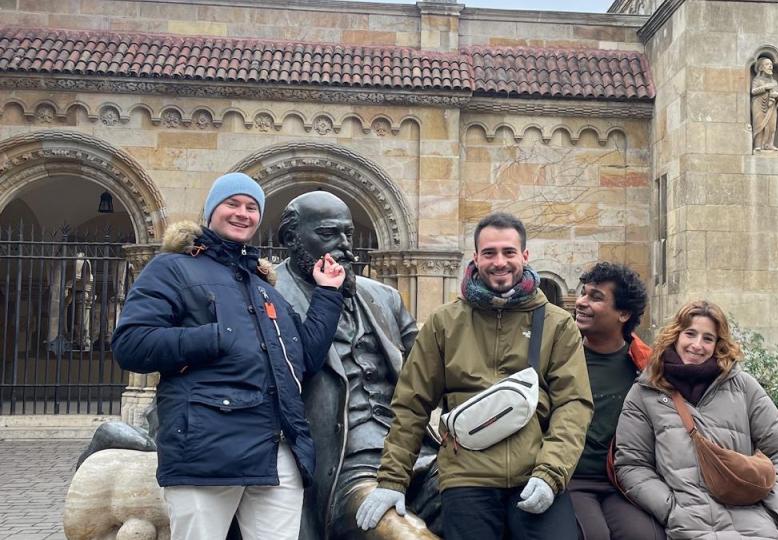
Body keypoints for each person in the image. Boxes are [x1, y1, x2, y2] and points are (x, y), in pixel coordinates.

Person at [112, 173, 346, 540]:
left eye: (252, 207)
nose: (243, 213)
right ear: (211, 212)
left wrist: (329, 294)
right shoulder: (173, 268)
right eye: (232, 204)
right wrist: (217, 337)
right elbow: (131, 344)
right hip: (206, 450)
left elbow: (304, 358)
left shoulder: (263, 286)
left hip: (277, 452)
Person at [355, 212, 594, 540]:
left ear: (524, 256)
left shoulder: (556, 323)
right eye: (490, 253)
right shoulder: (444, 322)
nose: (500, 262)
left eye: (509, 252)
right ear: (476, 258)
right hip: (466, 477)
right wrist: (393, 480)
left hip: (534, 471)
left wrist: (551, 472)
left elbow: (573, 405)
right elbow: (412, 404)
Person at [272, 191, 440, 539]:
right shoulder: (267, 295)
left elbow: (433, 370)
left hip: (417, 455)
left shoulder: (383, 296)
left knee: (490, 503)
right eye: (328, 234)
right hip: (347, 467)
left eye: (348, 233)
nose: (345, 246)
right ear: (291, 238)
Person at [614, 300, 778, 539]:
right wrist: (672, 510)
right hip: (690, 526)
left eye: (708, 338)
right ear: (675, 336)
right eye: (690, 334)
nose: (697, 345)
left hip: (756, 526)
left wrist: (775, 510)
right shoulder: (645, 393)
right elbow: (632, 465)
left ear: (718, 344)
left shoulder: (743, 387)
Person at [570, 262, 665, 540]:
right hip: (570, 479)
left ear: (623, 313)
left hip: (623, 483)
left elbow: (695, 409)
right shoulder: (561, 357)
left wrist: (769, 434)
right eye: (583, 293)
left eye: (595, 297)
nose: (581, 302)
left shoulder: (646, 365)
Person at [751, 57, 778, 153]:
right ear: (760, 68)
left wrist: (777, 96)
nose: (770, 66)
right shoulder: (757, 80)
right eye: (767, 64)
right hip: (758, 105)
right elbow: (753, 91)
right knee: (759, 124)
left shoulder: (774, 82)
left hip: (771, 106)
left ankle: (769, 144)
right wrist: (765, 87)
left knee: (772, 125)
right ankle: (758, 145)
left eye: (771, 65)